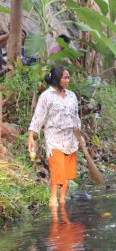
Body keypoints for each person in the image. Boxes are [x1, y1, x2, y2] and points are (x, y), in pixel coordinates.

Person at [28, 66, 83, 207]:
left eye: (68, 77)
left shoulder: (72, 95)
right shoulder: (46, 96)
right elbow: (38, 117)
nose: (68, 80)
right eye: (65, 77)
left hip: (71, 140)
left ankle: (63, 201)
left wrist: (80, 136)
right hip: (54, 140)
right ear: (57, 79)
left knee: (66, 174)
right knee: (58, 172)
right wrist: (31, 136)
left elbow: (76, 117)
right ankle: (53, 200)